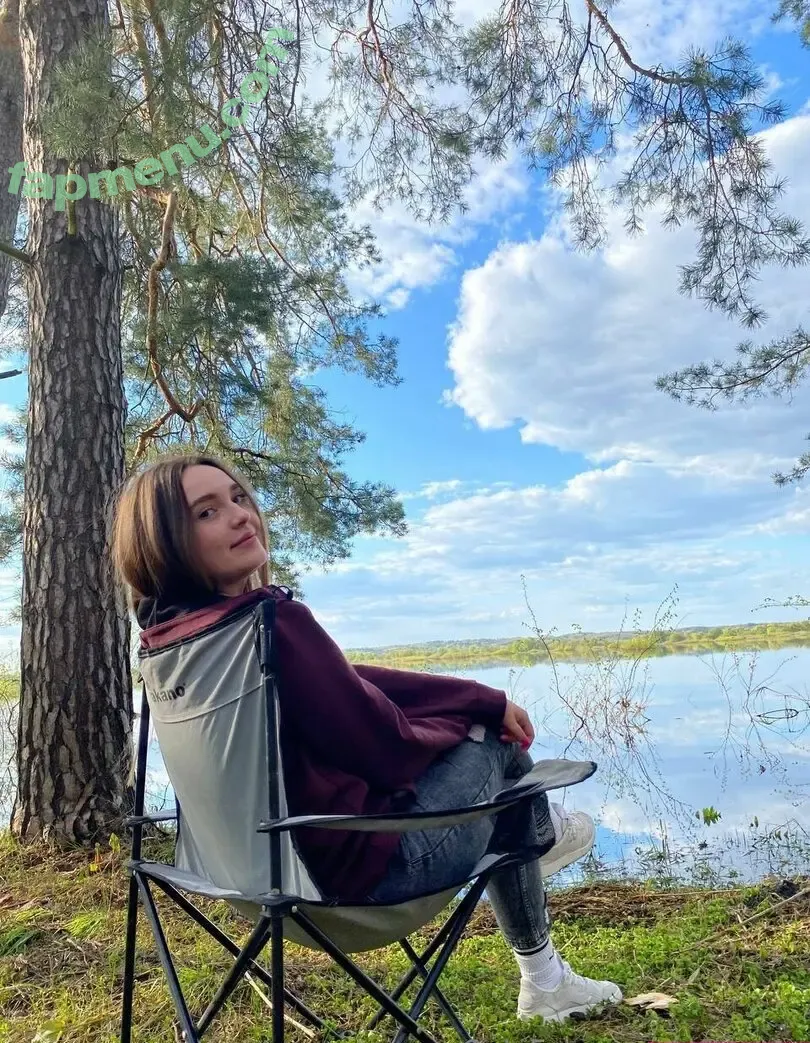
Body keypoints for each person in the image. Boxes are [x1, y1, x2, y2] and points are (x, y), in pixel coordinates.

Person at [111, 452, 622, 1024]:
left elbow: (345, 684)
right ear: (165, 541)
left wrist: (473, 696)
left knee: (491, 752)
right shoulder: (272, 623)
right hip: (363, 890)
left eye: (238, 498)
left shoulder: (169, 645)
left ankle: (534, 853)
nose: (240, 515)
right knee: (498, 748)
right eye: (207, 512)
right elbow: (389, 752)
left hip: (253, 890)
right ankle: (542, 892)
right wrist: (472, 718)